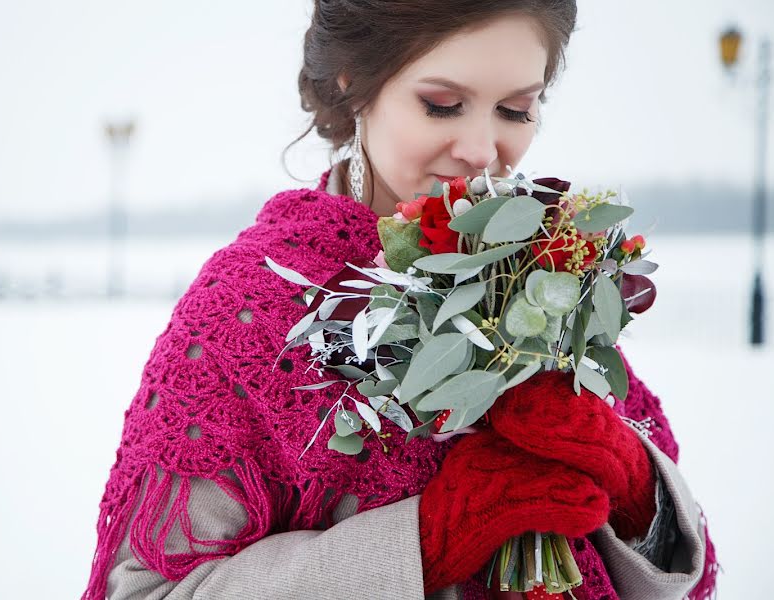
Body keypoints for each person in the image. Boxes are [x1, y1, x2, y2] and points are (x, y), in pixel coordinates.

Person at [81, 2, 719, 598]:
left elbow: (686, 569)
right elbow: (146, 588)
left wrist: (634, 488)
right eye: (443, 105)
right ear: (353, 84)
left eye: (516, 110)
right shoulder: (248, 310)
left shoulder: (548, 272)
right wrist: (422, 544)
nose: (481, 150)